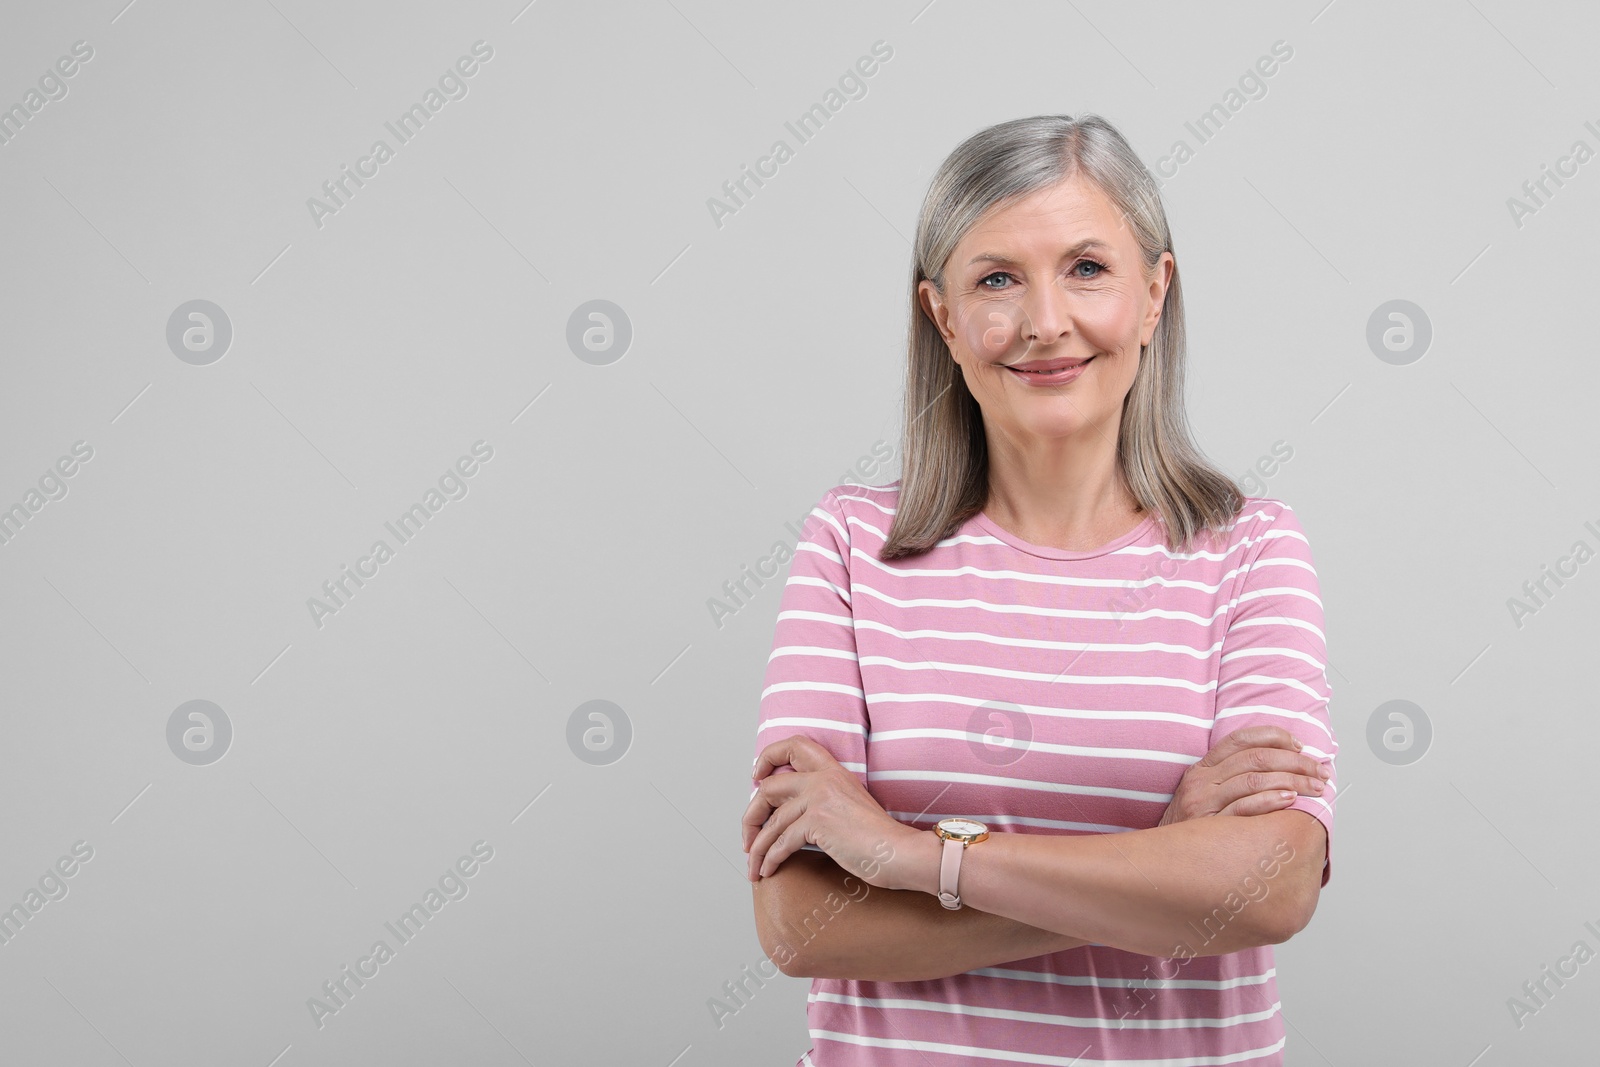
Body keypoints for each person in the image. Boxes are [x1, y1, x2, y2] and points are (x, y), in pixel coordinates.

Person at [741, 113, 1338, 1065]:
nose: (1045, 322)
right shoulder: (853, 545)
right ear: (943, 319)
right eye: (997, 279)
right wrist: (1161, 856)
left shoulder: (1250, 549)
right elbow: (802, 924)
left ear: (1154, 295)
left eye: (1088, 268)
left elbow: (1269, 891)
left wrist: (914, 858)